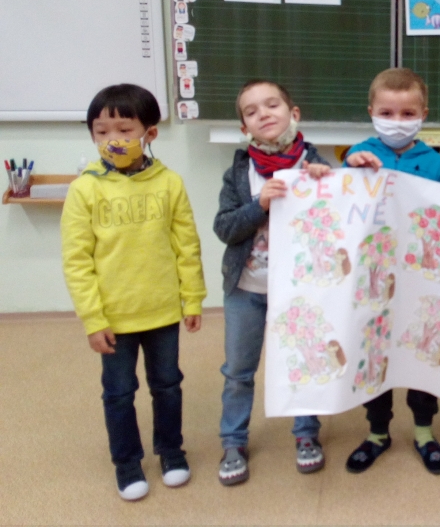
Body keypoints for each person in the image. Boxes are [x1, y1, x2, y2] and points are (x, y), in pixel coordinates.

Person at [61, 84, 206, 501]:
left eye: (124, 130)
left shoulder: (170, 183)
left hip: (162, 311)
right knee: (119, 392)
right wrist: (93, 320)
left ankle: (171, 452)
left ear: (150, 133)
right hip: (114, 318)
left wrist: (192, 298)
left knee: (168, 385)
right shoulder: (84, 189)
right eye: (102, 131)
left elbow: (187, 246)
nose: (113, 139)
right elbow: (77, 261)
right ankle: (126, 463)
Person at [213, 80, 333, 486]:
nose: (263, 114)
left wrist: (325, 184)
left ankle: (306, 434)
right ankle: (233, 441)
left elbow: (334, 223)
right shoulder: (238, 172)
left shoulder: (316, 167)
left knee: (304, 362)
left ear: (293, 113)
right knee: (238, 371)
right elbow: (224, 227)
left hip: (299, 291)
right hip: (247, 288)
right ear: (244, 128)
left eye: (272, 105)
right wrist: (258, 204)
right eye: (251, 111)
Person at [342, 68, 440, 475]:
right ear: (371, 111)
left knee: (421, 351)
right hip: (374, 279)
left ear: (424, 114)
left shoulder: (434, 162)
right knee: (376, 353)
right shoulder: (358, 154)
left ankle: (424, 430)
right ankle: (377, 432)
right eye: (387, 113)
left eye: (408, 113)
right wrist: (350, 166)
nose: (397, 121)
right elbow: (339, 203)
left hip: (419, 279)